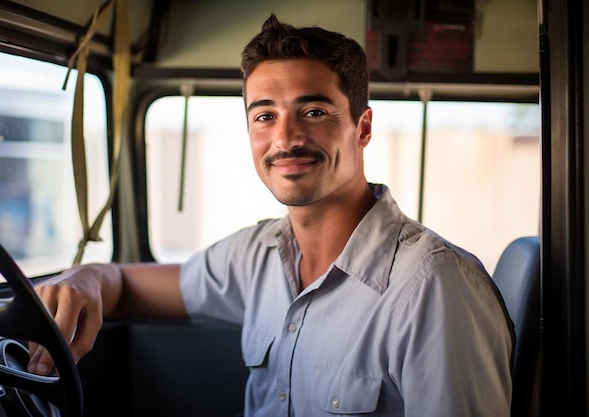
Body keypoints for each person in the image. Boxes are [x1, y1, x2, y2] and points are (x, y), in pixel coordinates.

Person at [29, 14, 513, 416]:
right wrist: (85, 277)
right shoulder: (257, 255)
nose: (286, 139)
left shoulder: (435, 287)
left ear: (362, 128)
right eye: (264, 115)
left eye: (314, 112)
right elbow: (124, 284)